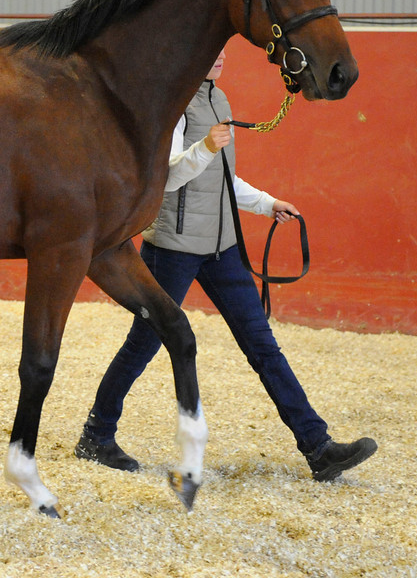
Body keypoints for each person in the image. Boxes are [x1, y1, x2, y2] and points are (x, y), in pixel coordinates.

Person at [75, 48, 377, 482]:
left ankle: (318, 447)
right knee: (144, 343)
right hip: (173, 248)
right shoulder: (173, 103)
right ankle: (96, 435)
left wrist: (267, 203)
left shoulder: (219, 99)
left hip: (222, 247)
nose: (217, 57)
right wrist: (203, 147)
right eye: (209, 50)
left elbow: (222, 179)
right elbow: (165, 175)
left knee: (263, 345)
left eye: (221, 52)